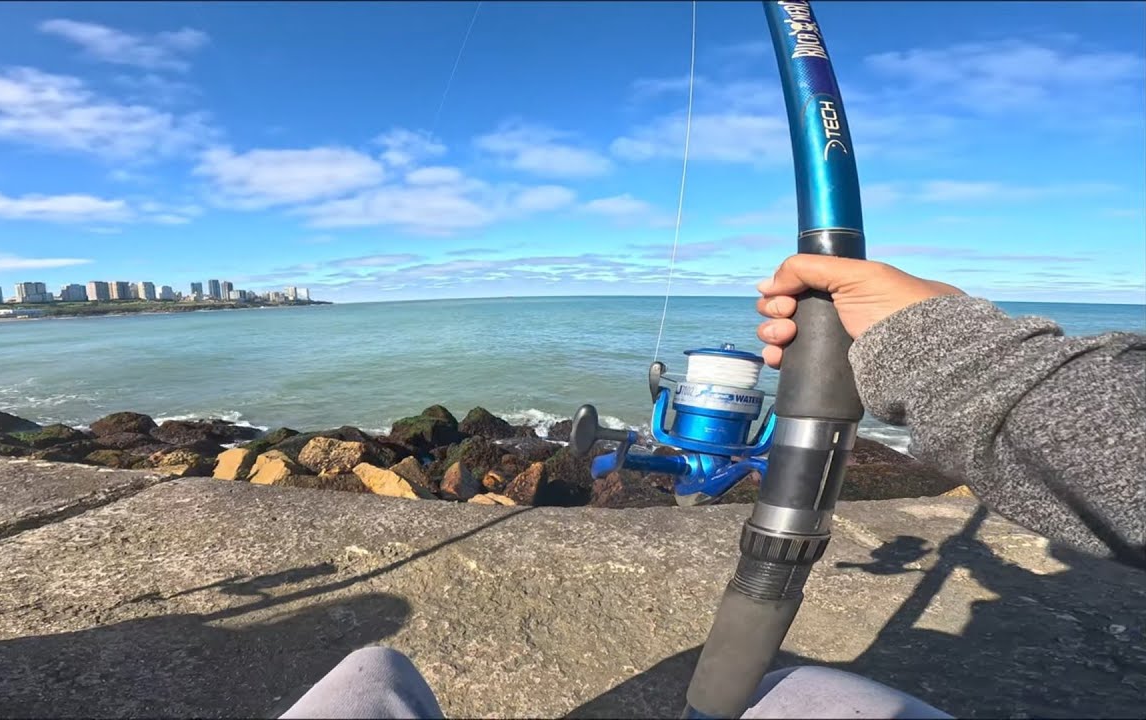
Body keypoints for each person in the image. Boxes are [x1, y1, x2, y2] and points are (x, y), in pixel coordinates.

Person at [281, 256, 1145, 719]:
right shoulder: (733, 431)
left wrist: (944, 346)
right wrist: (942, 342)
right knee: (806, 694)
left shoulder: (669, 430)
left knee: (370, 673)